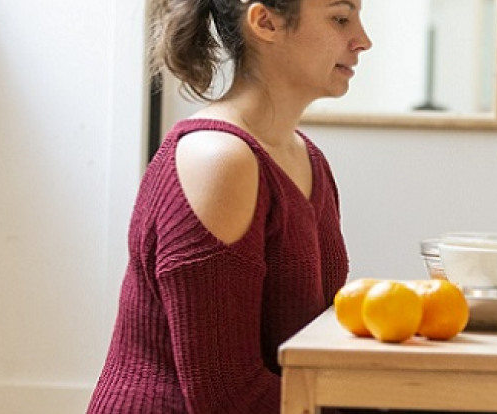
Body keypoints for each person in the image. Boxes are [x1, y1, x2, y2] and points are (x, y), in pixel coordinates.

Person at [87, 0, 369, 412]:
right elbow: (227, 397)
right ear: (266, 22)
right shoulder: (220, 159)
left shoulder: (308, 160)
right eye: (340, 18)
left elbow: (313, 347)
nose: (362, 40)